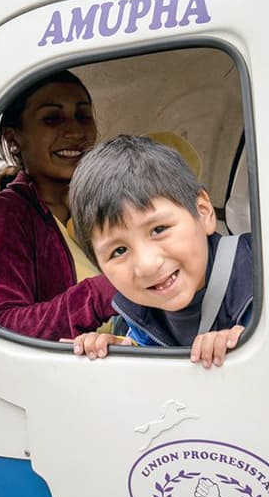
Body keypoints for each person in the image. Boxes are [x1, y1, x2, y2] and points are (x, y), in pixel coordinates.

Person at [68, 135, 253, 368]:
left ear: (204, 212)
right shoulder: (137, 315)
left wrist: (245, 344)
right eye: (119, 250)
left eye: (159, 229)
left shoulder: (261, 277)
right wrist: (121, 351)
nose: (146, 264)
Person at [0, 70, 116, 341]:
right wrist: (102, 294)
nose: (74, 131)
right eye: (52, 118)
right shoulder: (5, 217)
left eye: (83, 116)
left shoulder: (107, 201)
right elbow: (1, 326)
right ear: (14, 139)